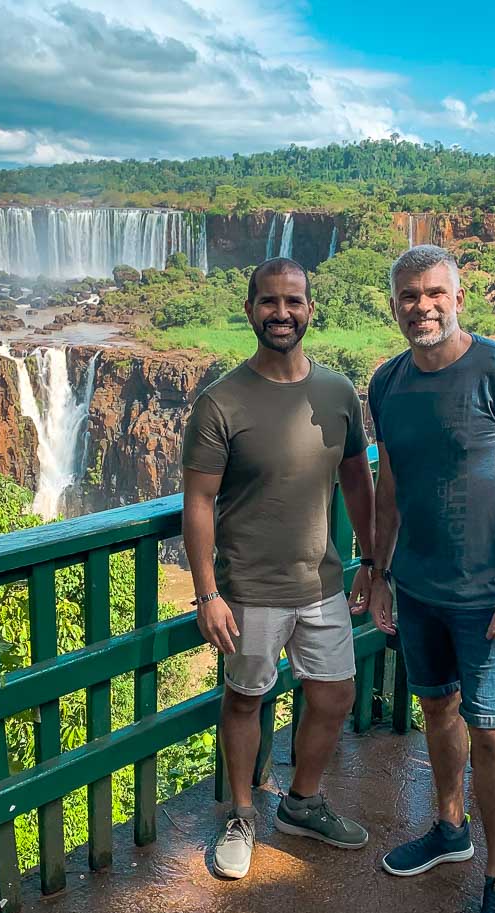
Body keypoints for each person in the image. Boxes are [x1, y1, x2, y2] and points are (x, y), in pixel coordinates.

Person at [367, 245, 495, 913]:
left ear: (459, 296)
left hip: (488, 600)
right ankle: (449, 830)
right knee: (438, 709)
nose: (423, 306)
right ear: (394, 306)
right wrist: (377, 569)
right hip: (416, 588)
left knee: (492, 734)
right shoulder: (386, 382)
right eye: (409, 296)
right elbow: (388, 484)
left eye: (435, 293)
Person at [182, 257, 375, 880]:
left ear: (311, 309)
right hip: (250, 587)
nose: (282, 313)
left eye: (293, 302)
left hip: (322, 582)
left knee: (334, 695)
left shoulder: (339, 393)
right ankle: (241, 814)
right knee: (245, 700)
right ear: (250, 310)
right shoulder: (221, 402)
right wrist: (207, 592)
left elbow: (357, 481)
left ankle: (301, 803)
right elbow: (199, 502)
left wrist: (371, 559)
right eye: (270, 302)